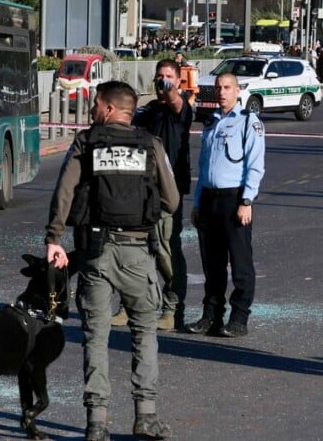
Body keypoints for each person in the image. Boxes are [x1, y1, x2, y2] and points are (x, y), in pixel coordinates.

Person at [45, 81, 180, 441]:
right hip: (137, 253)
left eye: (95, 104)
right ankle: (146, 416)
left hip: (95, 253)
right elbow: (172, 201)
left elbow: (64, 191)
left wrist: (54, 238)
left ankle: (96, 423)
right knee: (144, 332)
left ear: (107, 109)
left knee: (96, 336)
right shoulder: (150, 145)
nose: (91, 111)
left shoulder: (86, 143)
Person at [111, 59, 192, 331]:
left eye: (169, 76)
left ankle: (171, 310)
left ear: (179, 81)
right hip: (139, 194)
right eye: (159, 75)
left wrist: (170, 90)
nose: (163, 80)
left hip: (167, 195)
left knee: (166, 253)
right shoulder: (147, 110)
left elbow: (176, 103)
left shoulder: (180, 108)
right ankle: (128, 307)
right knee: (132, 252)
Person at [186, 72, 265, 338]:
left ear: (237, 91)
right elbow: (204, 167)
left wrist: (246, 200)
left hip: (234, 199)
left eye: (227, 87)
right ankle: (212, 315)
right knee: (212, 264)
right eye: (218, 87)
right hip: (209, 199)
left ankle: (239, 318)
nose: (221, 92)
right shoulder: (211, 124)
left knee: (241, 263)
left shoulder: (248, 123)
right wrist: (197, 203)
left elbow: (255, 166)